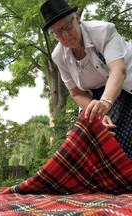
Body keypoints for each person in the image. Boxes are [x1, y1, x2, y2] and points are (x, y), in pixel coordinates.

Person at [40, 0, 132, 160]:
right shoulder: (58, 56)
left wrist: (104, 104)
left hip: (123, 88)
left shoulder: (103, 31)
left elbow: (118, 70)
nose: (65, 35)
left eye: (67, 26)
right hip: (93, 99)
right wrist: (96, 114)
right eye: (57, 32)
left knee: (117, 141)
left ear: (77, 17)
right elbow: (76, 92)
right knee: (87, 142)